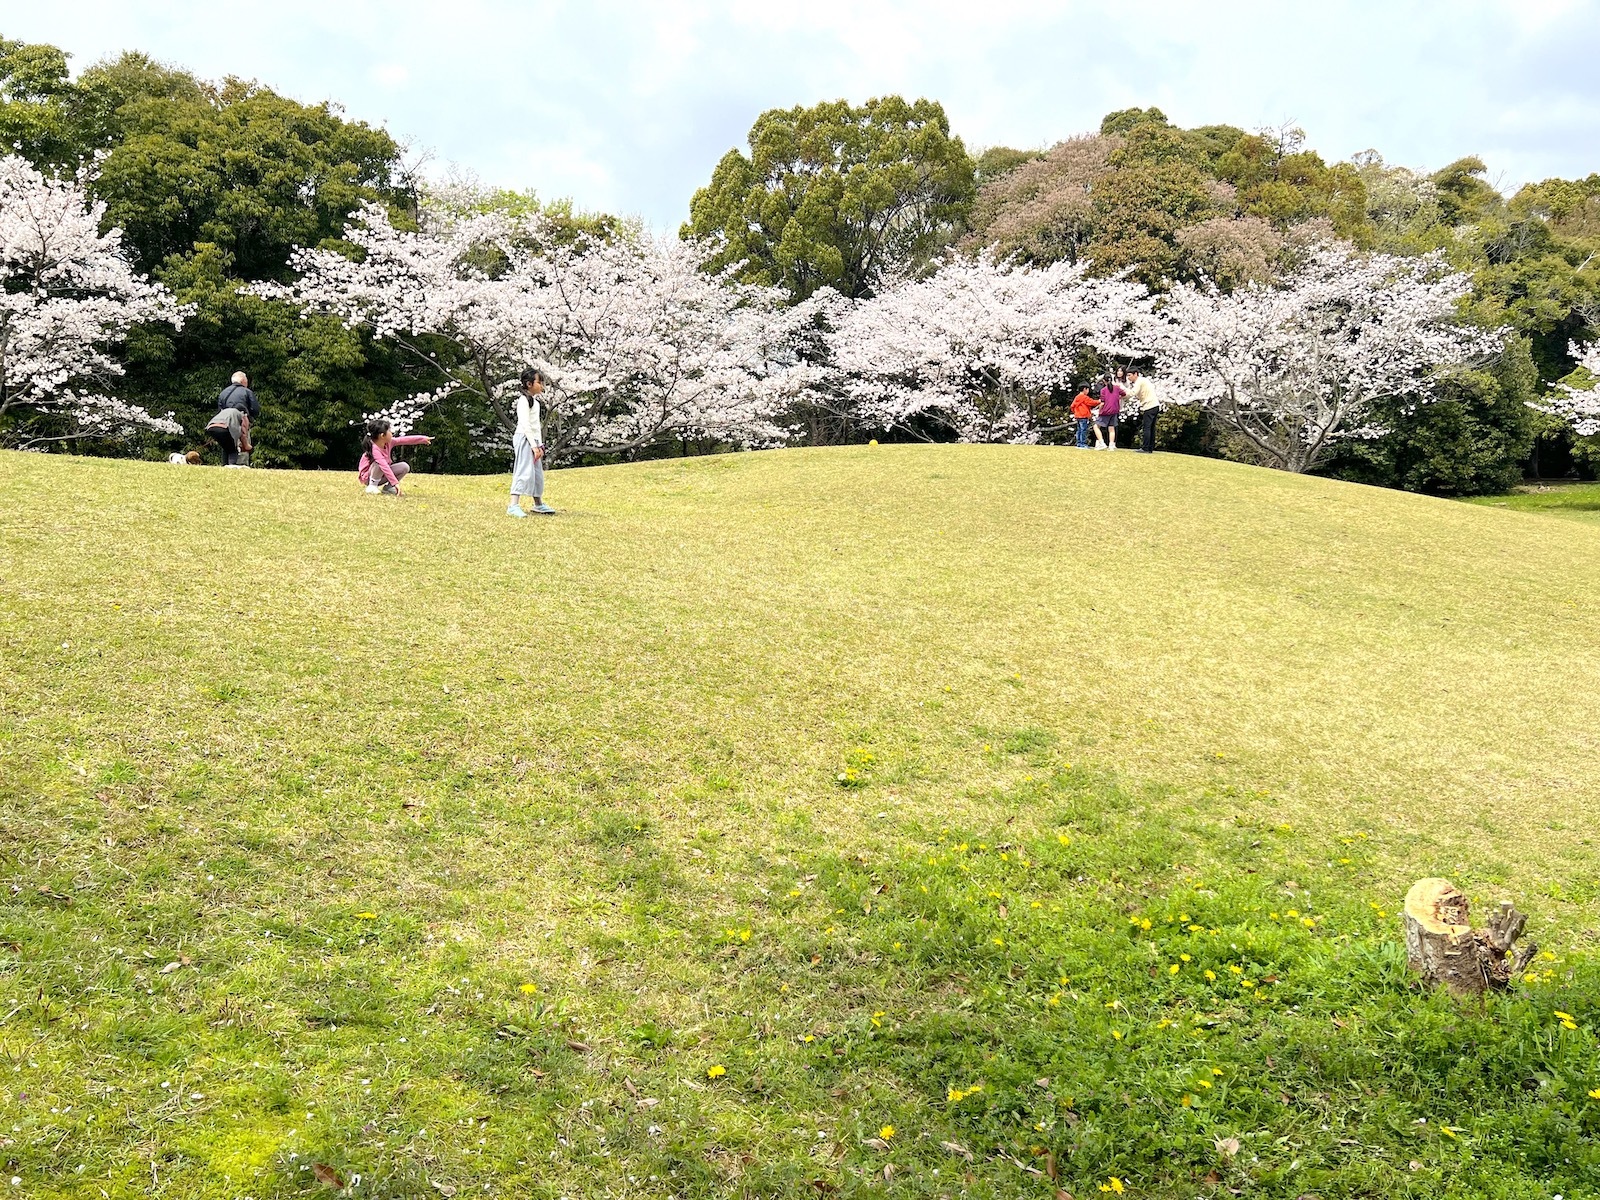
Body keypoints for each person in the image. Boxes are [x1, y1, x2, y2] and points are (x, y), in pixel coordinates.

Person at [508, 367, 555, 517]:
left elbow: (536, 427)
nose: (541, 386)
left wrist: (539, 445)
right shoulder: (523, 401)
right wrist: (533, 446)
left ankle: (538, 503)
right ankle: (513, 505)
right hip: (524, 438)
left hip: (533, 440)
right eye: (539, 382)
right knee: (523, 470)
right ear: (529, 384)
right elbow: (525, 424)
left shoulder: (535, 402)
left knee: (536, 474)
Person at [359, 419, 433, 496]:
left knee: (404, 466)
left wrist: (423, 439)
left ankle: (389, 488)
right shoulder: (375, 449)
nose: (392, 433)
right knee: (379, 464)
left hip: (382, 476)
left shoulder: (389, 443)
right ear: (382, 435)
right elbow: (384, 466)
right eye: (389, 431)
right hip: (368, 478)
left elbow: (405, 440)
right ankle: (372, 486)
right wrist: (396, 483)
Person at [215, 371, 259, 466]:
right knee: (242, 445)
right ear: (243, 381)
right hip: (240, 421)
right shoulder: (247, 392)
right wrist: (250, 419)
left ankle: (225, 465)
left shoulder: (223, 393)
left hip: (224, 423)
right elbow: (255, 409)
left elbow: (219, 410)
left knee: (227, 445)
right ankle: (241, 465)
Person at [1125, 367, 1159, 453]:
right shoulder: (1144, 380)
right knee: (1151, 428)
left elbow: (1132, 393)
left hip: (1149, 405)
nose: (1128, 377)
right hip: (1155, 405)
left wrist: (1122, 390)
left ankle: (1145, 448)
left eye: (1129, 375)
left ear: (1135, 374)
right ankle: (1150, 448)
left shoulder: (1139, 381)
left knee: (1147, 428)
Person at [1094, 373, 1123, 451]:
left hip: (1106, 411)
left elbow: (1102, 403)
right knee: (1111, 428)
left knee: (1096, 426)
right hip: (1114, 410)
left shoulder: (1103, 390)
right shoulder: (1117, 388)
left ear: (1104, 381)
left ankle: (1101, 443)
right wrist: (1118, 397)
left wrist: (1099, 411)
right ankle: (1111, 445)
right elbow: (1124, 393)